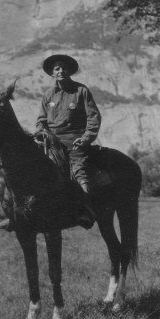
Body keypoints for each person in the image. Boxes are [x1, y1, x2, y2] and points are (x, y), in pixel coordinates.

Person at [35, 54, 101, 229]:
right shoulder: (48, 95)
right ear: (52, 72)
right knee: (30, 167)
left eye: (63, 67)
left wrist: (86, 138)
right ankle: (20, 214)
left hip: (74, 140)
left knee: (78, 170)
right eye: (56, 68)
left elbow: (93, 117)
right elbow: (41, 120)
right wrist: (41, 133)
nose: (60, 70)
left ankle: (85, 210)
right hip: (51, 141)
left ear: (69, 70)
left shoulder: (81, 91)